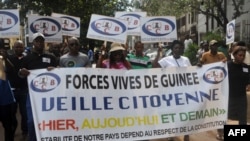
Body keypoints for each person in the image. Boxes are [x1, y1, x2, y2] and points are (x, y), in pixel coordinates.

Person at [18, 32, 58, 141]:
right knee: (31, 121)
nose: (40, 43)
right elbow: (20, 74)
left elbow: (59, 73)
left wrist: (55, 70)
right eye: (37, 41)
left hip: (50, 95)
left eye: (42, 41)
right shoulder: (26, 58)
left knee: (49, 120)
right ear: (33, 42)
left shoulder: (51, 57)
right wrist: (22, 72)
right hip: (32, 95)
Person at [153, 40, 191, 141]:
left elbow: (192, 72)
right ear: (172, 49)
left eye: (180, 48)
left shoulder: (186, 60)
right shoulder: (166, 60)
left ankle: (186, 134)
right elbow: (154, 67)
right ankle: (171, 133)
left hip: (184, 92)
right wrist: (158, 53)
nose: (178, 50)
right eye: (176, 48)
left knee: (185, 114)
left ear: (182, 49)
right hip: (171, 92)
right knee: (173, 114)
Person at [197, 39, 227, 140]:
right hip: (208, 84)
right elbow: (200, 64)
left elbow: (226, 64)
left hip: (219, 85)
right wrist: (200, 64)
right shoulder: (205, 55)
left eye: (216, 45)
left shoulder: (221, 55)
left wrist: (224, 62)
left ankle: (220, 131)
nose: (215, 47)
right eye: (213, 45)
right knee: (208, 104)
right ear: (210, 47)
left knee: (219, 107)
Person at [6, 40, 28, 140]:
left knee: (24, 113)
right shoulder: (8, 59)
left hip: (24, 90)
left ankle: (25, 131)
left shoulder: (27, 59)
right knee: (12, 113)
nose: (18, 48)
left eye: (20, 47)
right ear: (13, 48)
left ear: (23, 48)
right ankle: (13, 129)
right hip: (12, 91)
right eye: (16, 47)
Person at [227, 45, 250, 126]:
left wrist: (248, 85)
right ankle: (221, 133)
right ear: (234, 55)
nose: (242, 57)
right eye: (240, 55)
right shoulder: (227, 66)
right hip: (229, 97)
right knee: (225, 116)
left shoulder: (246, 67)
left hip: (241, 97)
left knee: (242, 118)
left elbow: (248, 80)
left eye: (243, 55)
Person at [0, 39, 16, 141]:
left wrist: (5, 59)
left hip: (4, 97)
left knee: (9, 125)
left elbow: (12, 70)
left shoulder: (3, 58)